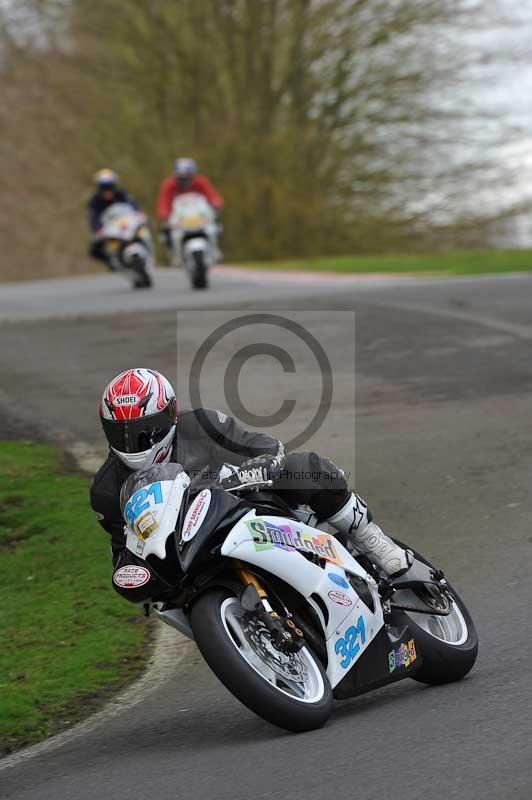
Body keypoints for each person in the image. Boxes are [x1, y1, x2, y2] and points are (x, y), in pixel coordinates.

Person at [90, 368, 412, 600]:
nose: (134, 443)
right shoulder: (106, 490)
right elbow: (124, 546)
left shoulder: (200, 424)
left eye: (144, 432)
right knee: (165, 602)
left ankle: (373, 541)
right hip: (188, 555)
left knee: (302, 468)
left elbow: (261, 445)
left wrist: (255, 468)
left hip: (244, 504)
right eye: (122, 434)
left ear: (169, 415)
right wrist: (131, 573)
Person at [156, 158, 223, 254]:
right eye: (181, 178)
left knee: (215, 227)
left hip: (199, 217)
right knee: (166, 232)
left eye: (187, 177)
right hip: (180, 219)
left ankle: (215, 250)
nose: (184, 181)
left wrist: (216, 204)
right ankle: (174, 253)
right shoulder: (169, 185)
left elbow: (211, 195)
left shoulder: (200, 182)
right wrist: (164, 214)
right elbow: (164, 201)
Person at [87, 169, 138, 265]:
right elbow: (93, 217)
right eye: (104, 188)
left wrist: (138, 213)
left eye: (109, 187)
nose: (107, 191)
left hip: (126, 223)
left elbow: (133, 204)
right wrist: (98, 229)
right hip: (109, 228)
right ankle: (110, 261)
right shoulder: (95, 200)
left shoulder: (121, 194)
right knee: (94, 249)